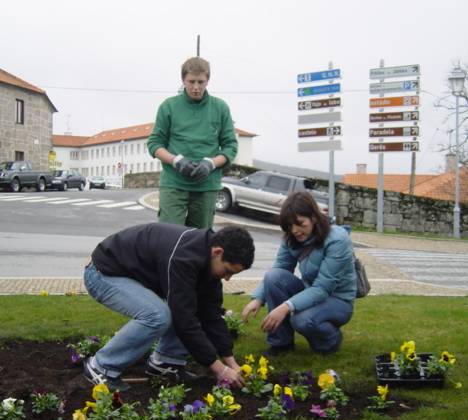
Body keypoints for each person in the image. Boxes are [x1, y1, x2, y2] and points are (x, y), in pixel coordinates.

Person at [83, 223, 254, 391]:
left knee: (190, 307)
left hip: (131, 275)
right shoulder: (184, 258)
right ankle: (101, 366)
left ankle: (166, 362)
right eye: (228, 271)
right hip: (103, 274)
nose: (228, 278)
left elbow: (211, 315)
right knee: (157, 315)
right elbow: (184, 320)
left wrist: (231, 363)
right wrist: (219, 369)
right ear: (217, 252)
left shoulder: (207, 261)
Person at [242, 192, 356, 356]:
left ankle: (330, 341)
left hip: (338, 299)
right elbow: (280, 268)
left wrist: (285, 307)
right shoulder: (291, 238)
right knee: (274, 277)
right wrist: (258, 298)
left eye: (300, 224)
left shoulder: (337, 240)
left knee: (302, 320)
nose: (295, 230)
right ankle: (281, 344)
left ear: (314, 217)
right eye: (289, 226)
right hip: (310, 290)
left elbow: (323, 288)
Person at [147, 56, 238, 229]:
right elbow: (154, 143)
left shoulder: (220, 108)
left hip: (206, 186)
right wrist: (176, 160)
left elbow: (231, 146)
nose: (196, 87)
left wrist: (211, 163)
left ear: (208, 80)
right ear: (183, 80)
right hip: (174, 184)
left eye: (201, 82)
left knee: (199, 241)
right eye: (191, 81)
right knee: (168, 235)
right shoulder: (169, 106)